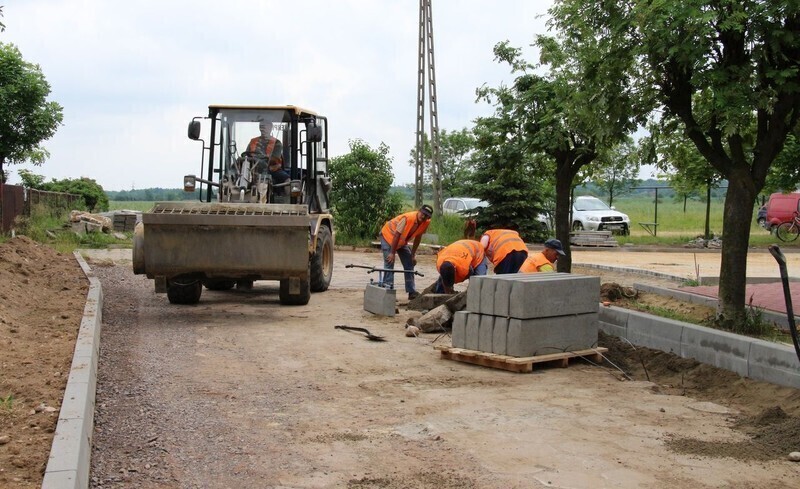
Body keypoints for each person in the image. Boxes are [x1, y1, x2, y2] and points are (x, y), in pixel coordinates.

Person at [380, 205, 433, 299]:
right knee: (389, 262)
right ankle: (388, 291)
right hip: (388, 236)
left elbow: (418, 238)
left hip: (400, 241)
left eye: (427, 216)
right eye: (423, 214)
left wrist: (412, 255)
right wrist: (392, 253)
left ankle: (411, 292)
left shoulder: (426, 223)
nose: (424, 217)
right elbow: (396, 235)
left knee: (409, 262)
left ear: (429, 217)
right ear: (419, 211)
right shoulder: (408, 218)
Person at [245, 121, 290, 192]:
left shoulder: (276, 143)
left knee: (287, 180)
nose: (263, 129)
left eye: (265, 127)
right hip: (253, 169)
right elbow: (246, 155)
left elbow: (275, 159)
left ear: (270, 128)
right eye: (261, 127)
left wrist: (259, 160)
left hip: (271, 169)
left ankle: (289, 199)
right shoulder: (253, 141)